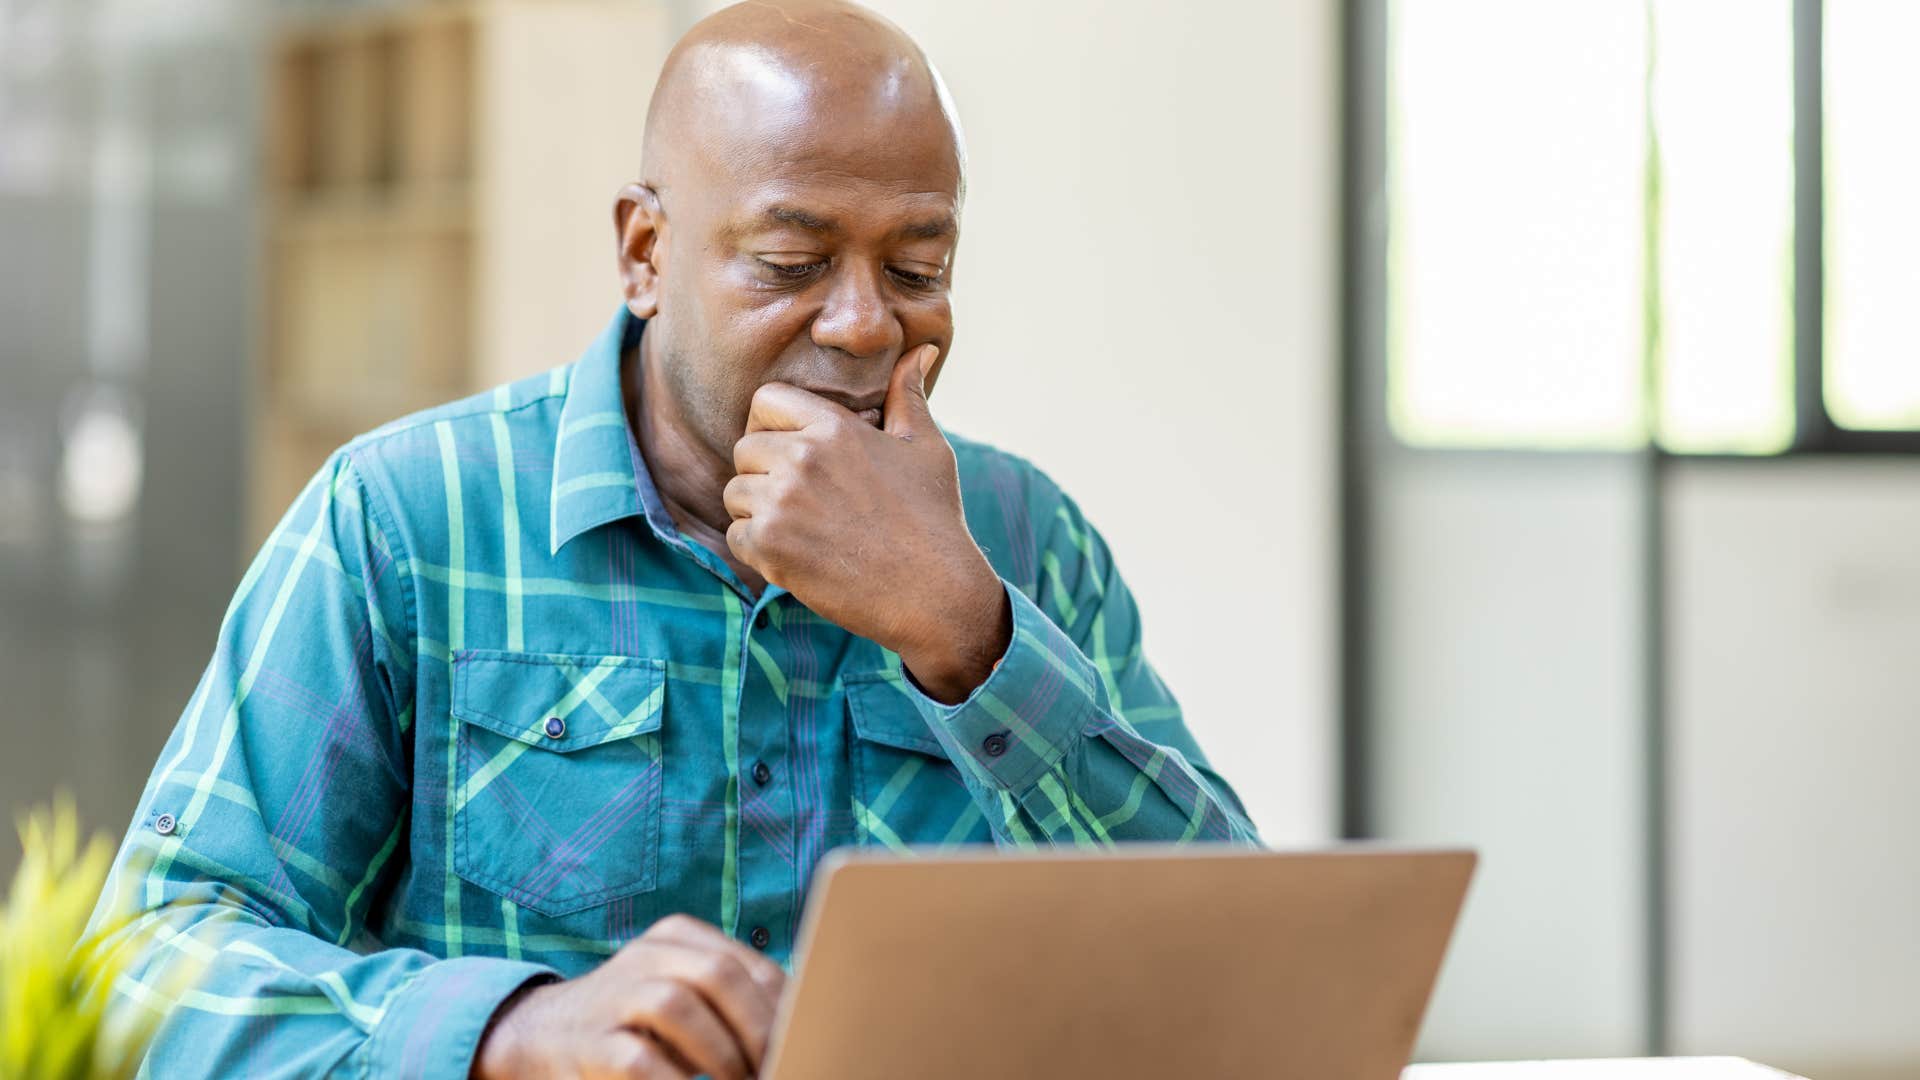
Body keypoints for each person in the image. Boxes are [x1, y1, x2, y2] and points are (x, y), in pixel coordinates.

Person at [94, 2, 1259, 1076]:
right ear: (645, 254)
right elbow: (147, 964)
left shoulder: (1025, 541)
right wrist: (511, 1029)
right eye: (792, 264)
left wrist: (967, 632)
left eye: (918, 267)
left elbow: (1243, 970)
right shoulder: (405, 518)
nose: (864, 323)